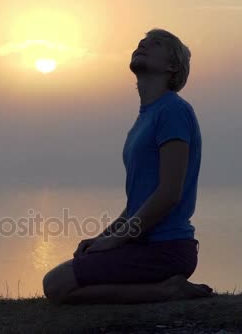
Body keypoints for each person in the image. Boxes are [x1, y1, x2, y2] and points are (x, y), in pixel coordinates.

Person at [42, 28, 214, 304]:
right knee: (62, 278)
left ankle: (167, 291)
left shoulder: (173, 111)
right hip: (143, 244)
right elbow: (139, 202)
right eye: (142, 42)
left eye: (154, 43)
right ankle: (163, 288)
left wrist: (118, 240)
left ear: (171, 67)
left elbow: (169, 193)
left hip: (166, 248)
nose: (143, 44)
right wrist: (102, 238)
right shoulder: (146, 118)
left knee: (56, 284)